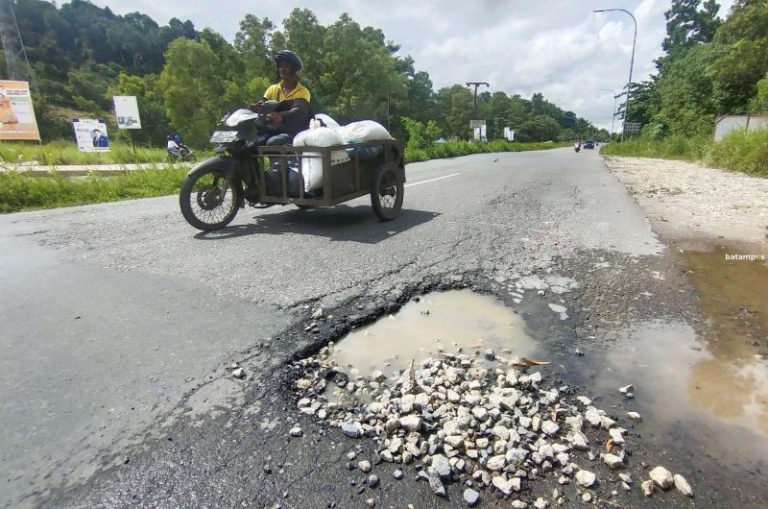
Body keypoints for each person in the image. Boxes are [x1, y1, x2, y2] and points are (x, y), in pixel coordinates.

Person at [249, 50, 312, 147]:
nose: (282, 69)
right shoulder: (272, 89)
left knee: (273, 142)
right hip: (273, 130)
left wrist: (281, 116)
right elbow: (263, 106)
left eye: (286, 66)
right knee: (253, 145)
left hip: (293, 131)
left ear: (295, 70)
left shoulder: (302, 91)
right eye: (280, 66)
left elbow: (299, 112)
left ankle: (281, 162)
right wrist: (253, 108)